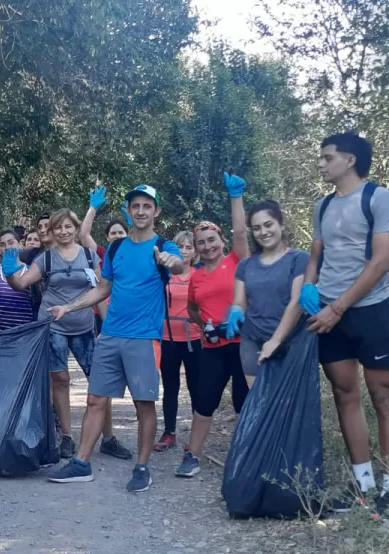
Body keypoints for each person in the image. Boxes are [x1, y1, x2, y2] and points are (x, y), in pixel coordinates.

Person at [44, 185, 183, 491]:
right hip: (109, 336)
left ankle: (142, 467)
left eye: (148, 206)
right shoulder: (117, 249)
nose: (142, 211)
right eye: (136, 206)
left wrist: (172, 262)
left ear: (156, 211)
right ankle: (81, 463)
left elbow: (178, 264)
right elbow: (103, 288)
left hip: (144, 339)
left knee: (143, 404)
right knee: (95, 400)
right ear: (129, 210)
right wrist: (68, 307)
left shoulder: (163, 246)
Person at [301, 132, 389, 514]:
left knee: (383, 396)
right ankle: (363, 487)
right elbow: (315, 255)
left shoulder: (379, 197)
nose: (322, 163)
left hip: (369, 310)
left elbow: (381, 262)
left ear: (350, 160)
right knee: (345, 394)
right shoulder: (322, 206)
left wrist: (339, 307)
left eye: (328, 157)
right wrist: (310, 290)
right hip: (327, 311)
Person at [3, 208, 110, 460]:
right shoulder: (45, 259)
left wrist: (104, 327)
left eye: (68, 227)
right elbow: (21, 283)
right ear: (51, 231)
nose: (63, 232)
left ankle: (108, 437)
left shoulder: (89, 255)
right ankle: (67, 437)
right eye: (58, 227)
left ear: (75, 229)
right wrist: (9, 274)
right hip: (53, 328)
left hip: (84, 327)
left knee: (99, 381)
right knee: (60, 381)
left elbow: (101, 292)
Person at [178, 173, 252, 479]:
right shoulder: (195, 275)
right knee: (204, 401)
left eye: (211, 240)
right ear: (195, 248)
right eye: (201, 243)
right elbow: (193, 307)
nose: (207, 246)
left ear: (221, 241)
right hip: (213, 347)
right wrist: (206, 324)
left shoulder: (237, 260)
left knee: (243, 402)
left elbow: (240, 233)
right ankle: (191, 455)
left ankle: (249, 455)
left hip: (244, 344)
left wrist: (235, 197)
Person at [73, 186, 135, 460]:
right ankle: (103, 438)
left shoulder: (135, 252)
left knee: (127, 387)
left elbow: (140, 238)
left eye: (122, 233)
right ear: (107, 239)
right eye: (113, 234)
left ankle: (111, 437)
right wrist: (93, 208)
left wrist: (132, 222)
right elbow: (83, 234)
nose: (118, 237)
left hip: (132, 326)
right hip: (103, 326)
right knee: (101, 384)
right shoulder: (101, 254)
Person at [228, 200, 309, 385]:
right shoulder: (245, 265)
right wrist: (235, 312)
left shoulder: (299, 259)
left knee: (289, 405)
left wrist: (275, 340)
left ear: (281, 224)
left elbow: (296, 302)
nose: (263, 232)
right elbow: (240, 302)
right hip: (252, 341)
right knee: (259, 403)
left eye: (268, 224)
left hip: (291, 342)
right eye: (256, 228)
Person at [154, 230, 200, 452]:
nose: (184, 251)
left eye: (189, 247)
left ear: (195, 251)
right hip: (168, 338)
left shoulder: (199, 275)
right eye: (180, 246)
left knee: (196, 388)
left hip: (194, 339)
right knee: (170, 387)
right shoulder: (164, 274)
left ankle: (195, 437)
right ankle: (169, 433)